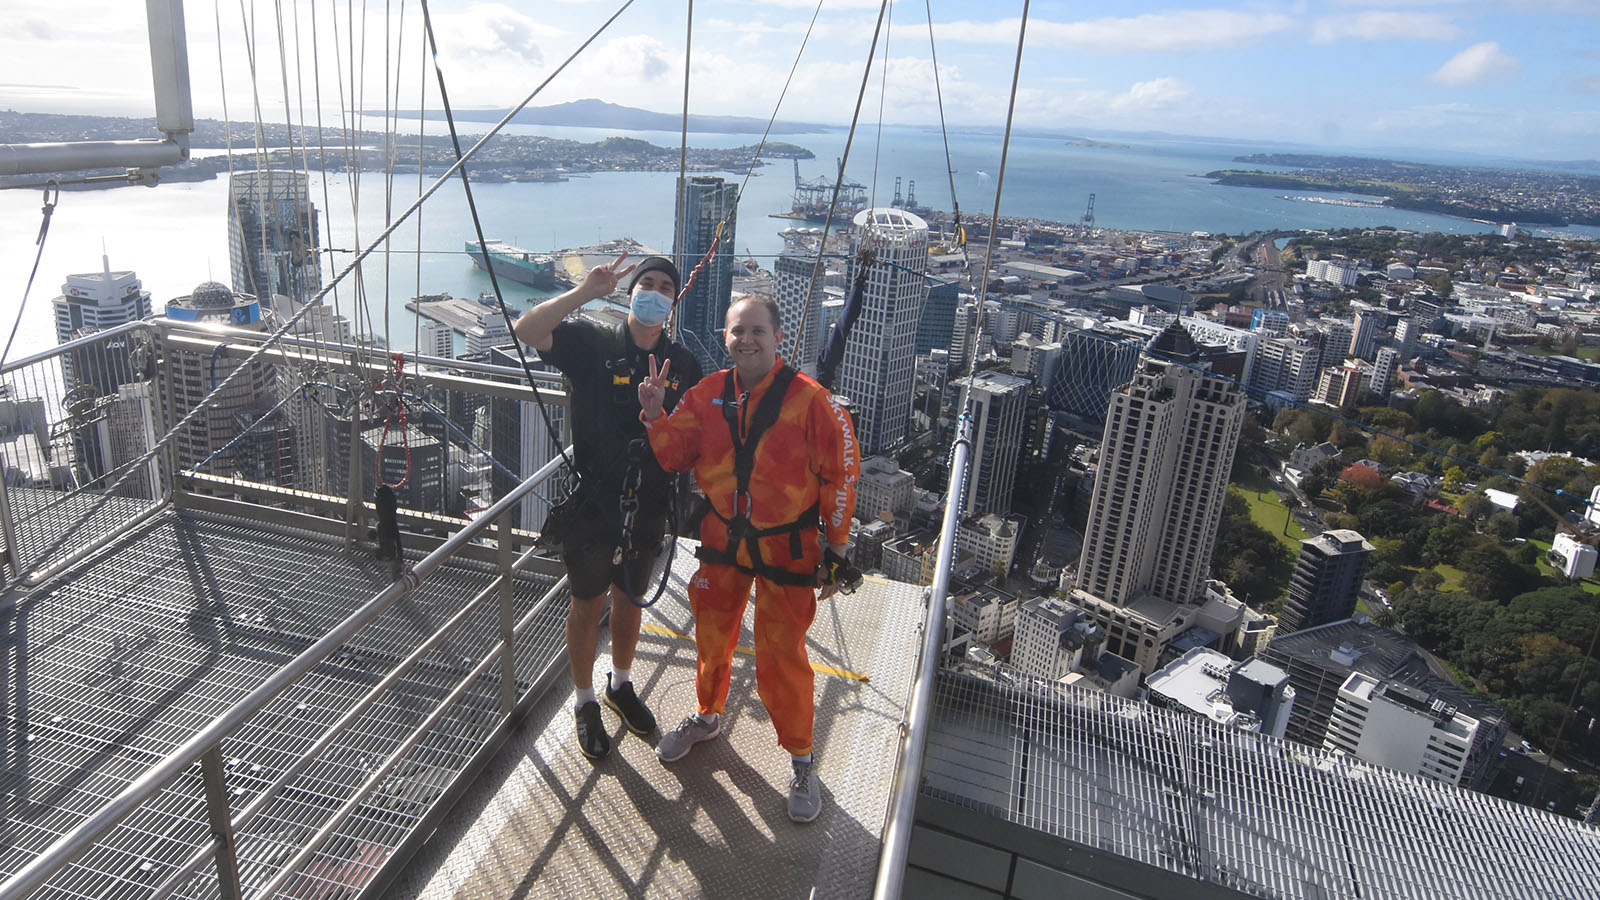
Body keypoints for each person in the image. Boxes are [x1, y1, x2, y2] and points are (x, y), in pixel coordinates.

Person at [636, 294, 859, 823]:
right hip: (723, 539)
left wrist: (839, 548)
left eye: (758, 330)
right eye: (738, 331)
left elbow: (841, 475)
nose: (748, 339)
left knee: (781, 656)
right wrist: (653, 415)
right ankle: (707, 716)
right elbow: (673, 455)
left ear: (780, 337)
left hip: (788, 544)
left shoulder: (813, 402)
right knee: (713, 636)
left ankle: (802, 759)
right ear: (725, 338)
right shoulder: (707, 394)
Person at [513, 253, 701, 761]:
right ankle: (584, 700)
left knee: (630, 598)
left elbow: (694, 436)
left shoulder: (683, 364)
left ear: (674, 300)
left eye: (666, 286)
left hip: (651, 502)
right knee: (586, 602)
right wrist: (583, 293)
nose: (655, 292)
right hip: (596, 502)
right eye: (647, 283)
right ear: (631, 290)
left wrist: (659, 413)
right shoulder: (593, 344)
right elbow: (528, 329)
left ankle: (619, 683)